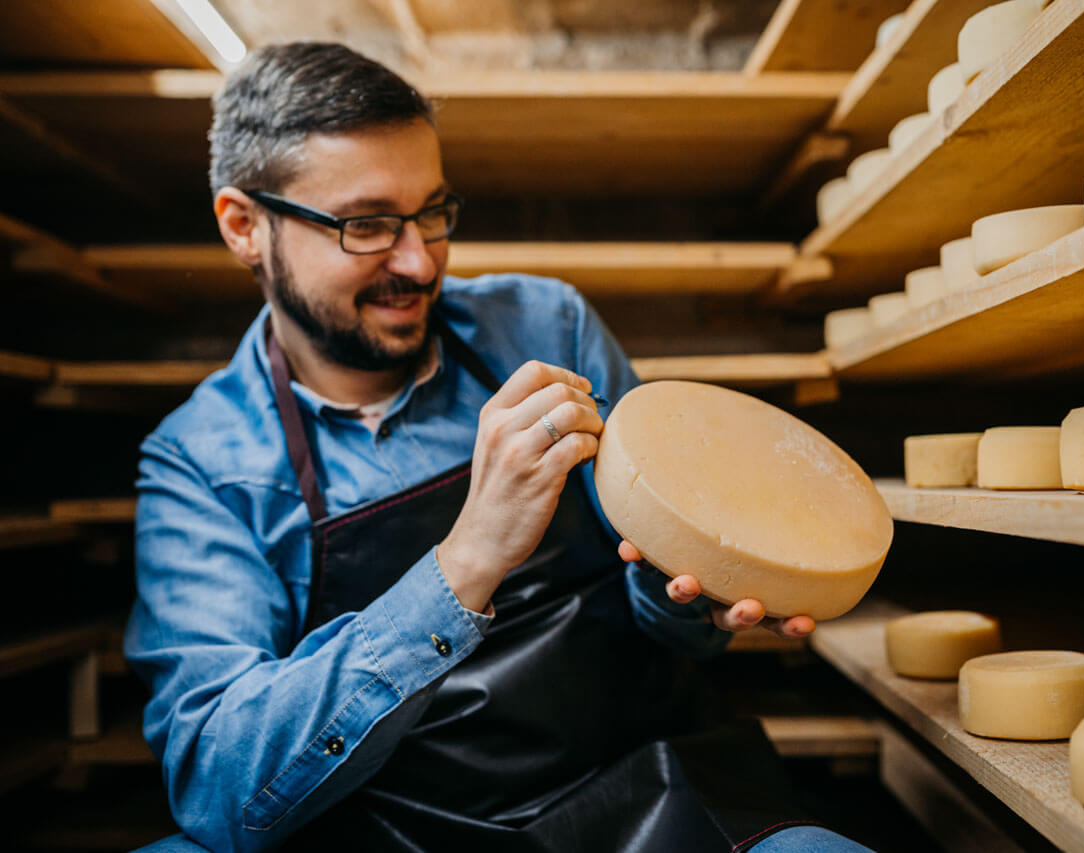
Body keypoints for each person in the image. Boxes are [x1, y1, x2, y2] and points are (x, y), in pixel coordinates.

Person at [125, 41, 872, 853]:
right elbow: (219, 784)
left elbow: (665, 618)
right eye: (367, 225)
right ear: (245, 227)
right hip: (386, 826)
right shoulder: (201, 463)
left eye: (433, 213)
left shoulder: (547, 328)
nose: (418, 261)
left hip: (635, 792)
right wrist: (466, 560)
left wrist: (696, 596)